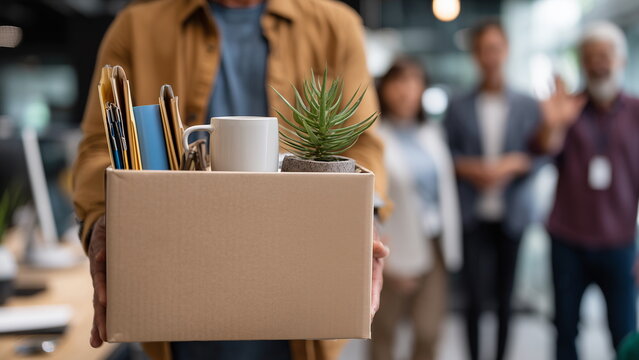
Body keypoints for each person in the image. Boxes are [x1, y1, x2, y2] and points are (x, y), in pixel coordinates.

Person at [71, 0, 391, 359]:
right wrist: (102, 221)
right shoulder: (136, 26)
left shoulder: (335, 25)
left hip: (297, 308)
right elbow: (100, 145)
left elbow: (362, 144)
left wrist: (363, 219)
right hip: (174, 297)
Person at [536, 21, 639, 360]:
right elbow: (543, 152)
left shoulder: (636, 112)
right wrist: (555, 123)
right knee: (565, 330)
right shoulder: (568, 108)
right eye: (590, 56)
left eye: (605, 55)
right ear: (581, 62)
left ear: (621, 60)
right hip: (568, 239)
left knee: (624, 333)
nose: (598, 62)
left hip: (621, 242)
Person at [444, 19, 543, 360]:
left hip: (511, 212)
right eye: (484, 49)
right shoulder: (458, 105)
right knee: (471, 297)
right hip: (472, 212)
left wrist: (515, 163)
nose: (491, 56)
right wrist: (472, 168)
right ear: (476, 55)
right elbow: (446, 154)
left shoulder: (528, 104)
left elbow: (541, 155)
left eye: (496, 48)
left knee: (505, 297)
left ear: (506, 51)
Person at [371, 58, 461, 360]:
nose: (406, 91)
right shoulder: (373, 137)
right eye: (399, 82)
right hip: (390, 245)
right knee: (384, 330)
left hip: (434, 241)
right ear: (384, 88)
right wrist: (385, 254)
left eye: (414, 82)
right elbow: (371, 200)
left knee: (428, 331)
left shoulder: (432, 133)